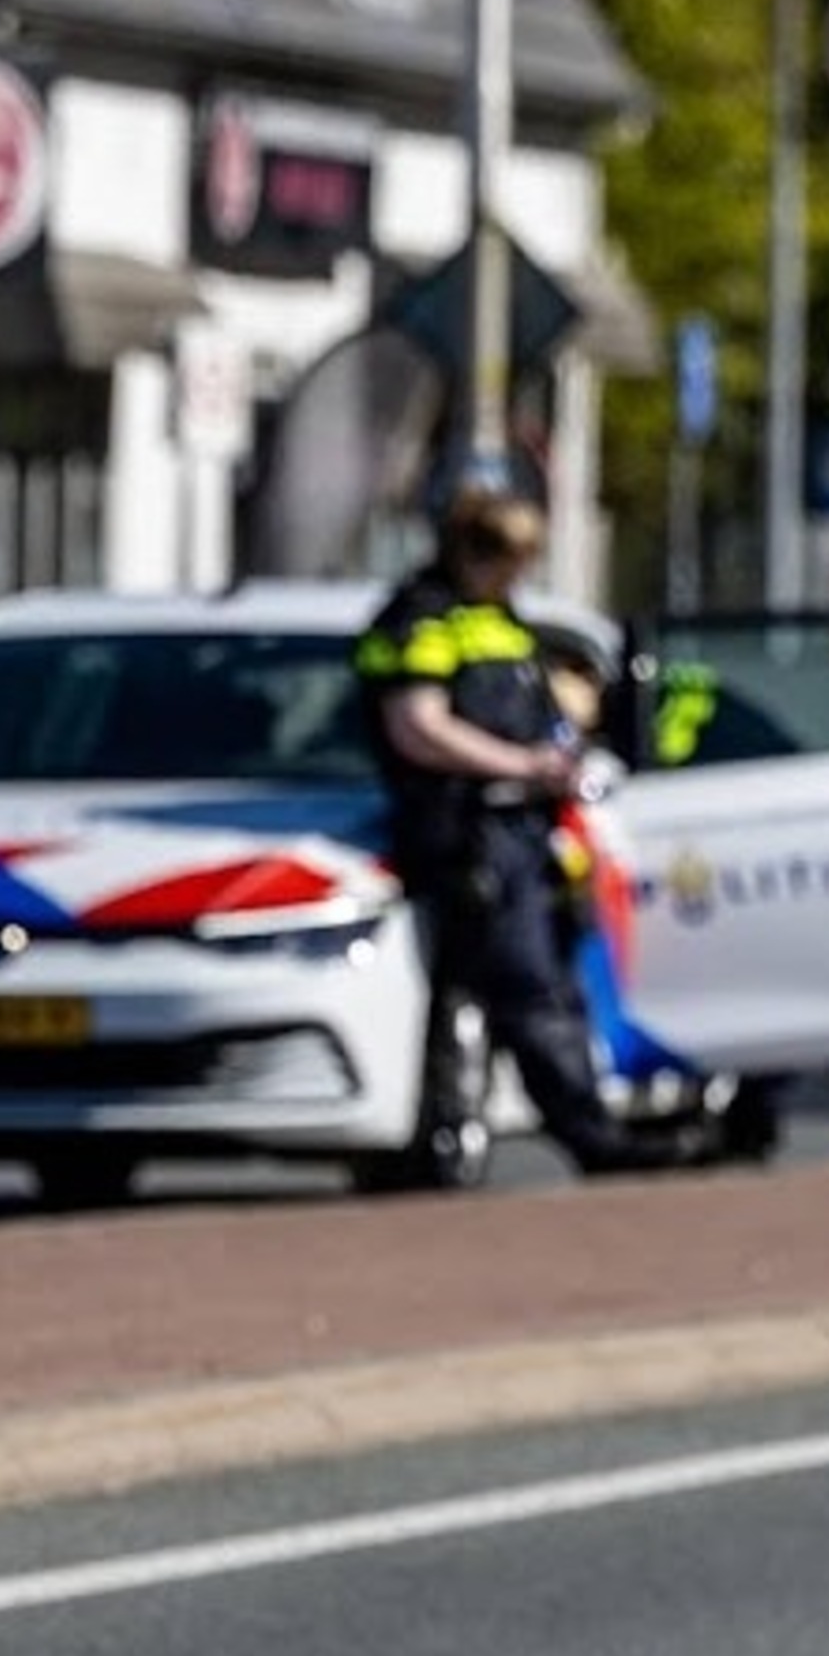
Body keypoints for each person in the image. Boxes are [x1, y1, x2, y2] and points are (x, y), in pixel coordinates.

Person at [356, 482, 677, 1178]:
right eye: (513, 557)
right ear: (476, 550)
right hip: (470, 830)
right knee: (526, 990)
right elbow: (417, 726)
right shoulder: (423, 618)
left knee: (486, 993)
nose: (522, 572)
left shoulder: (498, 616)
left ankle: (443, 1138)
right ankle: (591, 1136)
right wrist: (526, 764)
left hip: (522, 830)